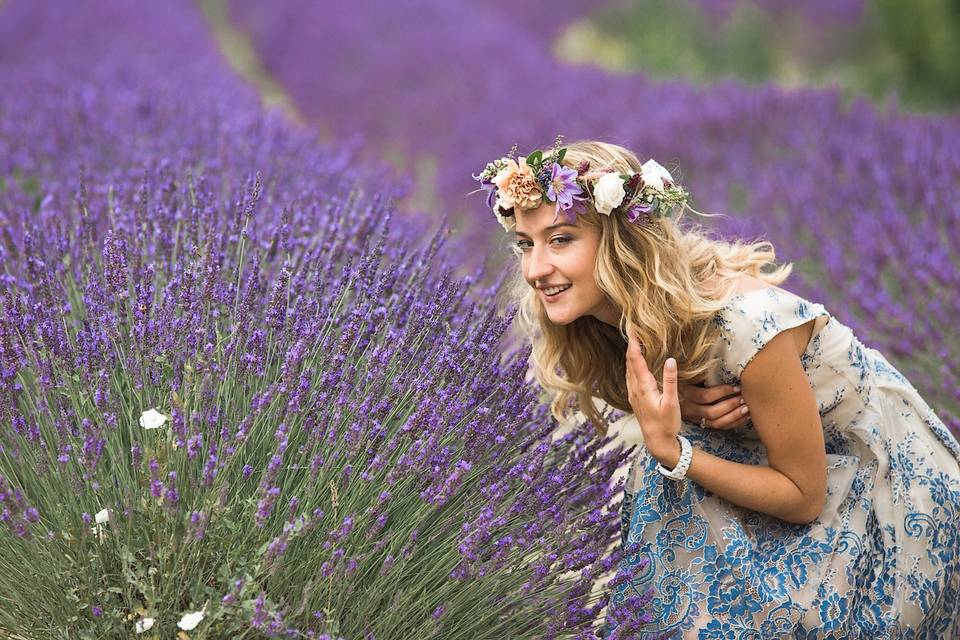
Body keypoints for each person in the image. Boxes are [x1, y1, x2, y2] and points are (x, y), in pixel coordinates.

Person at [473, 139, 960, 638]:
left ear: (621, 242)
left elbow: (804, 496)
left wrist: (674, 449)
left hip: (883, 491)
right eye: (526, 244)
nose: (534, 270)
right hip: (788, 466)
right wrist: (681, 407)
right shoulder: (608, 314)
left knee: (663, 471)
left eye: (560, 240)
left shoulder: (744, 326)